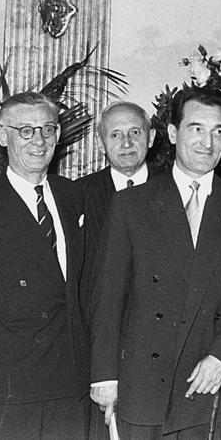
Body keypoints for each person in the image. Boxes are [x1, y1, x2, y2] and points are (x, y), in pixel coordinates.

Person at [90, 87, 221, 439]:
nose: (208, 142)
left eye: (218, 131)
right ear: (173, 134)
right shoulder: (132, 204)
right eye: (197, 128)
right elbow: (109, 296)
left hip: (219, 383)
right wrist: (105, 375)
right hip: (146, 384)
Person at [0, 91, 90, 439]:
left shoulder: (73, 197)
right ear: (1, 135)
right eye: (25, 130)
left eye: (47, 129)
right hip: (6, 384)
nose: (38, 141)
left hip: (68, 380)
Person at [76, 101, 158, 317]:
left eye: (135, 132)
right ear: (101, 143)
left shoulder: (177, 190)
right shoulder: (78, 195)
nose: (127, 143)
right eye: (115, 135)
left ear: (150, 138)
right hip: (97, 329)